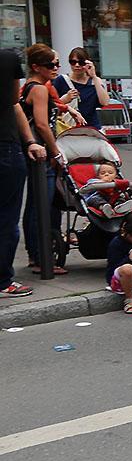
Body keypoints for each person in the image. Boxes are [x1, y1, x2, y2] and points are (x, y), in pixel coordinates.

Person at [1, 48, 45, 297]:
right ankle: (3, 280)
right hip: (6, 150)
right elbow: (14, 102)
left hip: (9, 148)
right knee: (6, 219)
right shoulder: (7, 59)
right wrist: (30, 142)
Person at [20, 44, 67, 275]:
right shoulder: (38, 89)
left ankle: (35, 255)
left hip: (31, 152)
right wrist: (55, 151)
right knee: (42, 205)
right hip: (41, 153)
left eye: (57, 64)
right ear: (36, 66)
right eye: (51, 65)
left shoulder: (29, 86)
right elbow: (41, 123)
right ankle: (41, 258)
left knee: (34, 205)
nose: (56, 68)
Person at [52, 47, 110, 129]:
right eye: (73, 62)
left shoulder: (95, 81)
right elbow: (51, 106)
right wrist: (65, 99)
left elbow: (105, 102)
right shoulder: (61, 80)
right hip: (68, 128)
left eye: (81, 62)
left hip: (92, 128)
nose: (77, 65)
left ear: (88, 63)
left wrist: (93, 76)